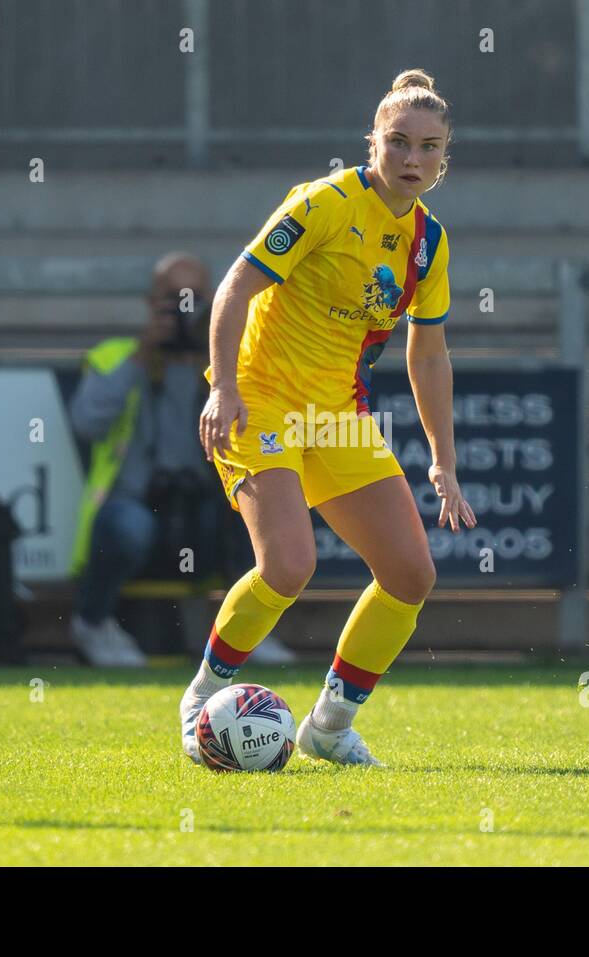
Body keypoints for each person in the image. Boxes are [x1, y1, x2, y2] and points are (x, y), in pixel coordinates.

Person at [180, 69, 476, 766]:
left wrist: (443, 459)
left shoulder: (429, 243)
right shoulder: (324, 203)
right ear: (371, 142)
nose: (412, 159)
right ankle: (202, 695)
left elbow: (428, 355)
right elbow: (235, 286)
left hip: (336, 415)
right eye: (398, 142)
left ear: (444, 158)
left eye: (429, 148)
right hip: (260, 398)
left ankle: (329, 724)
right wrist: (223, 388)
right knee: (288, 564)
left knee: (411, 575)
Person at [67, 253, 297, 667]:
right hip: (139, 510)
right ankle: (94, 624)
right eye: (173, 298)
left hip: (206, 514)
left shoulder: (231, 362)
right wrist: (144, 355)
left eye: (193, 298)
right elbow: (86, 423)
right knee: (126, 525)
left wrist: (215, 362)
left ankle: (252, 631)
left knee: (258, 514)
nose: (183, 308)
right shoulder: (118, 356)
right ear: (150, 302)